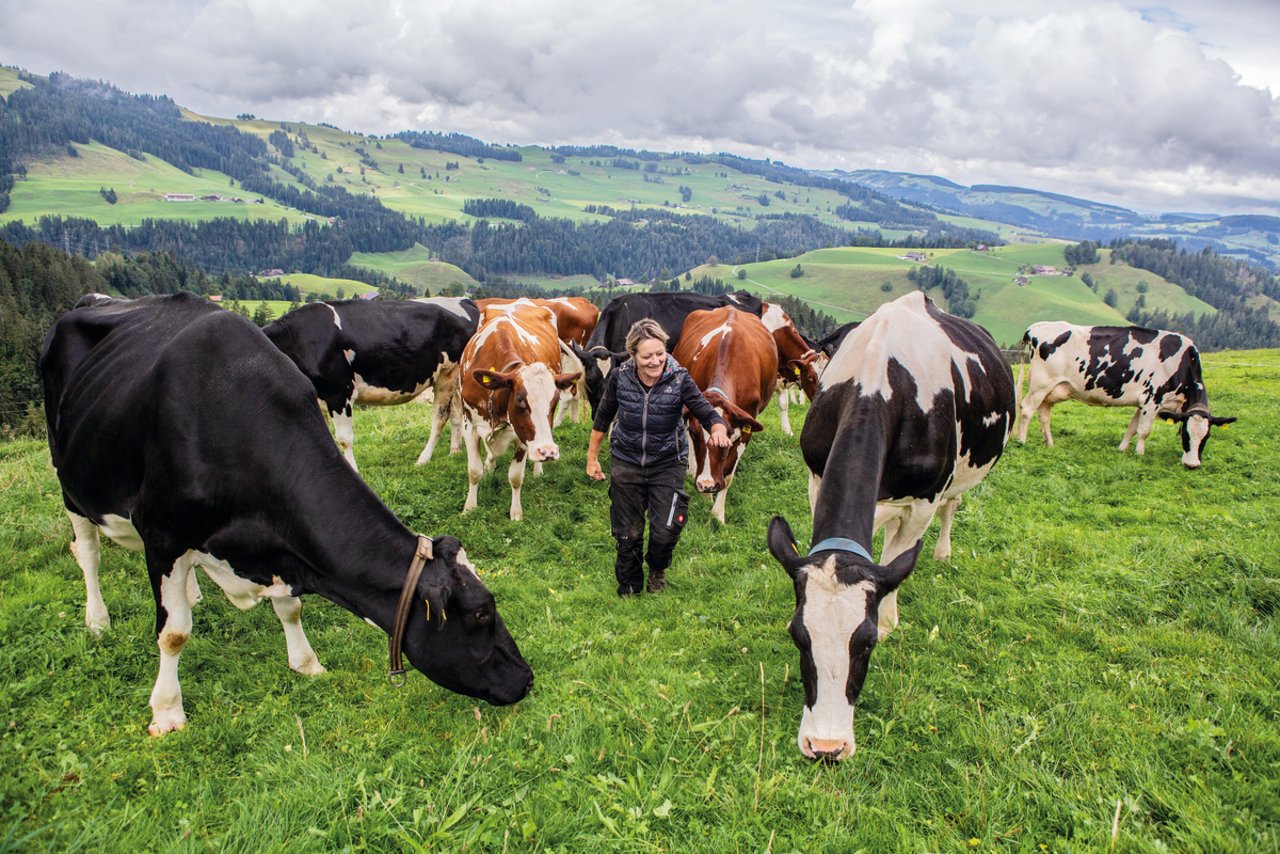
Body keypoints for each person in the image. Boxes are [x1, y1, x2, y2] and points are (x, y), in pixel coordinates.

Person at [586, 318, 730, 595]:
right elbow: (602, 419)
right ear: (633, 356)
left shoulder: (679, 378)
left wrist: (718, 428)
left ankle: (657, 569)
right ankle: (629, 587)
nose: (655, 361)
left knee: (665, 532)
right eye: (647, 356)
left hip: (668, 462)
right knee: (628, 532)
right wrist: (592, 458)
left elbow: (705, 410)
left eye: (660, 354)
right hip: (626, 462)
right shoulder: (620, 377)